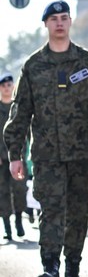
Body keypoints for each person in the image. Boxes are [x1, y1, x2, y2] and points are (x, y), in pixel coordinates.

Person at [3, 0, 88, 277]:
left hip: (82, 154)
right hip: (46, 156)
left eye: (64, 17)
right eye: (54, 18)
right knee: (52, 211)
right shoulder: (33, 66)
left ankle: (72, 273)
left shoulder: (87, 62)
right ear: (45, 24)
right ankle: (50, 270)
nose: (59, 22)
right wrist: (15, 155)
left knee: (78, 213)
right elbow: (20, 113)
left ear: (70, 22)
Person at [0, 73, 29, 241]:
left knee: (19, 190)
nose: (6, 88)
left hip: (18, 156)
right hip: (1, 159)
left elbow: (27, 131)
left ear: (13, 87)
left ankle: (19, 220)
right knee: (2, 192)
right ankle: (7, 227)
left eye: (9, 85)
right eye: (3, 85)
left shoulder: (19, 107)